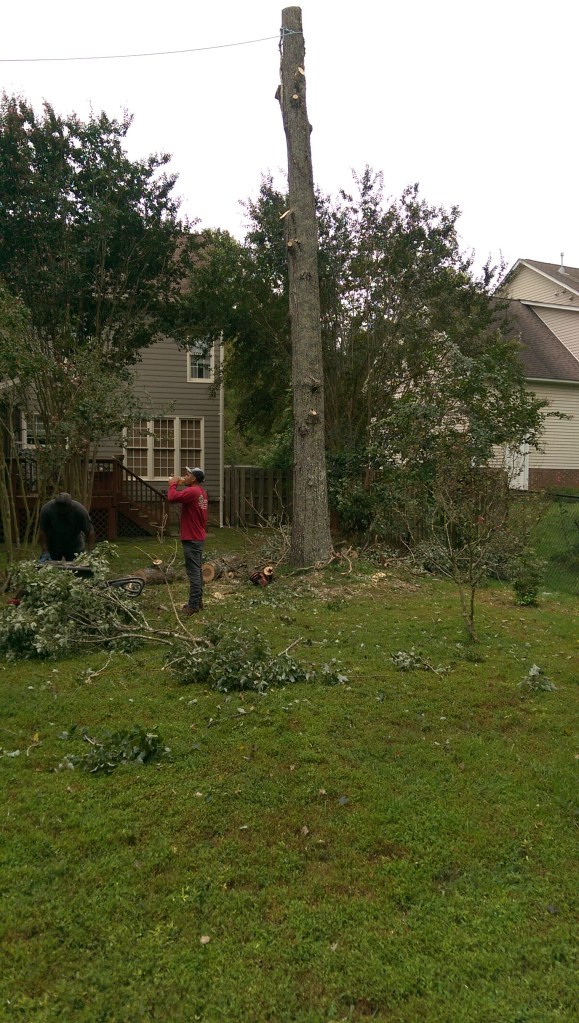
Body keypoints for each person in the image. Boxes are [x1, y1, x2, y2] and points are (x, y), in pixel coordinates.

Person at [167, 467, 208, 615]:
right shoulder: (201, 492)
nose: (184, 476)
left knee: (193, 573)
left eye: (188, 474)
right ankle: (198, 602)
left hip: (191, 537)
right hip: (198, 536)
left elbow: (171, 498)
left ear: (194, 479)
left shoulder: (192, 491)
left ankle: (193, 606)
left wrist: (173, 483)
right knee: (197, 570)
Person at [38, 492, 96, 562]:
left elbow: (90, 531)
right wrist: (45, 551)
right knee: (51, 567)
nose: (62, 512)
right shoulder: (47, 509)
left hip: (75, 545)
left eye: (65, 510)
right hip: (53, 545)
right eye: (60, 510)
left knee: (78, 567)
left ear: (70, 506)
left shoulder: (80, 511)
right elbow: (43, 531)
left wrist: (90, 551)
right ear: (56, 506)